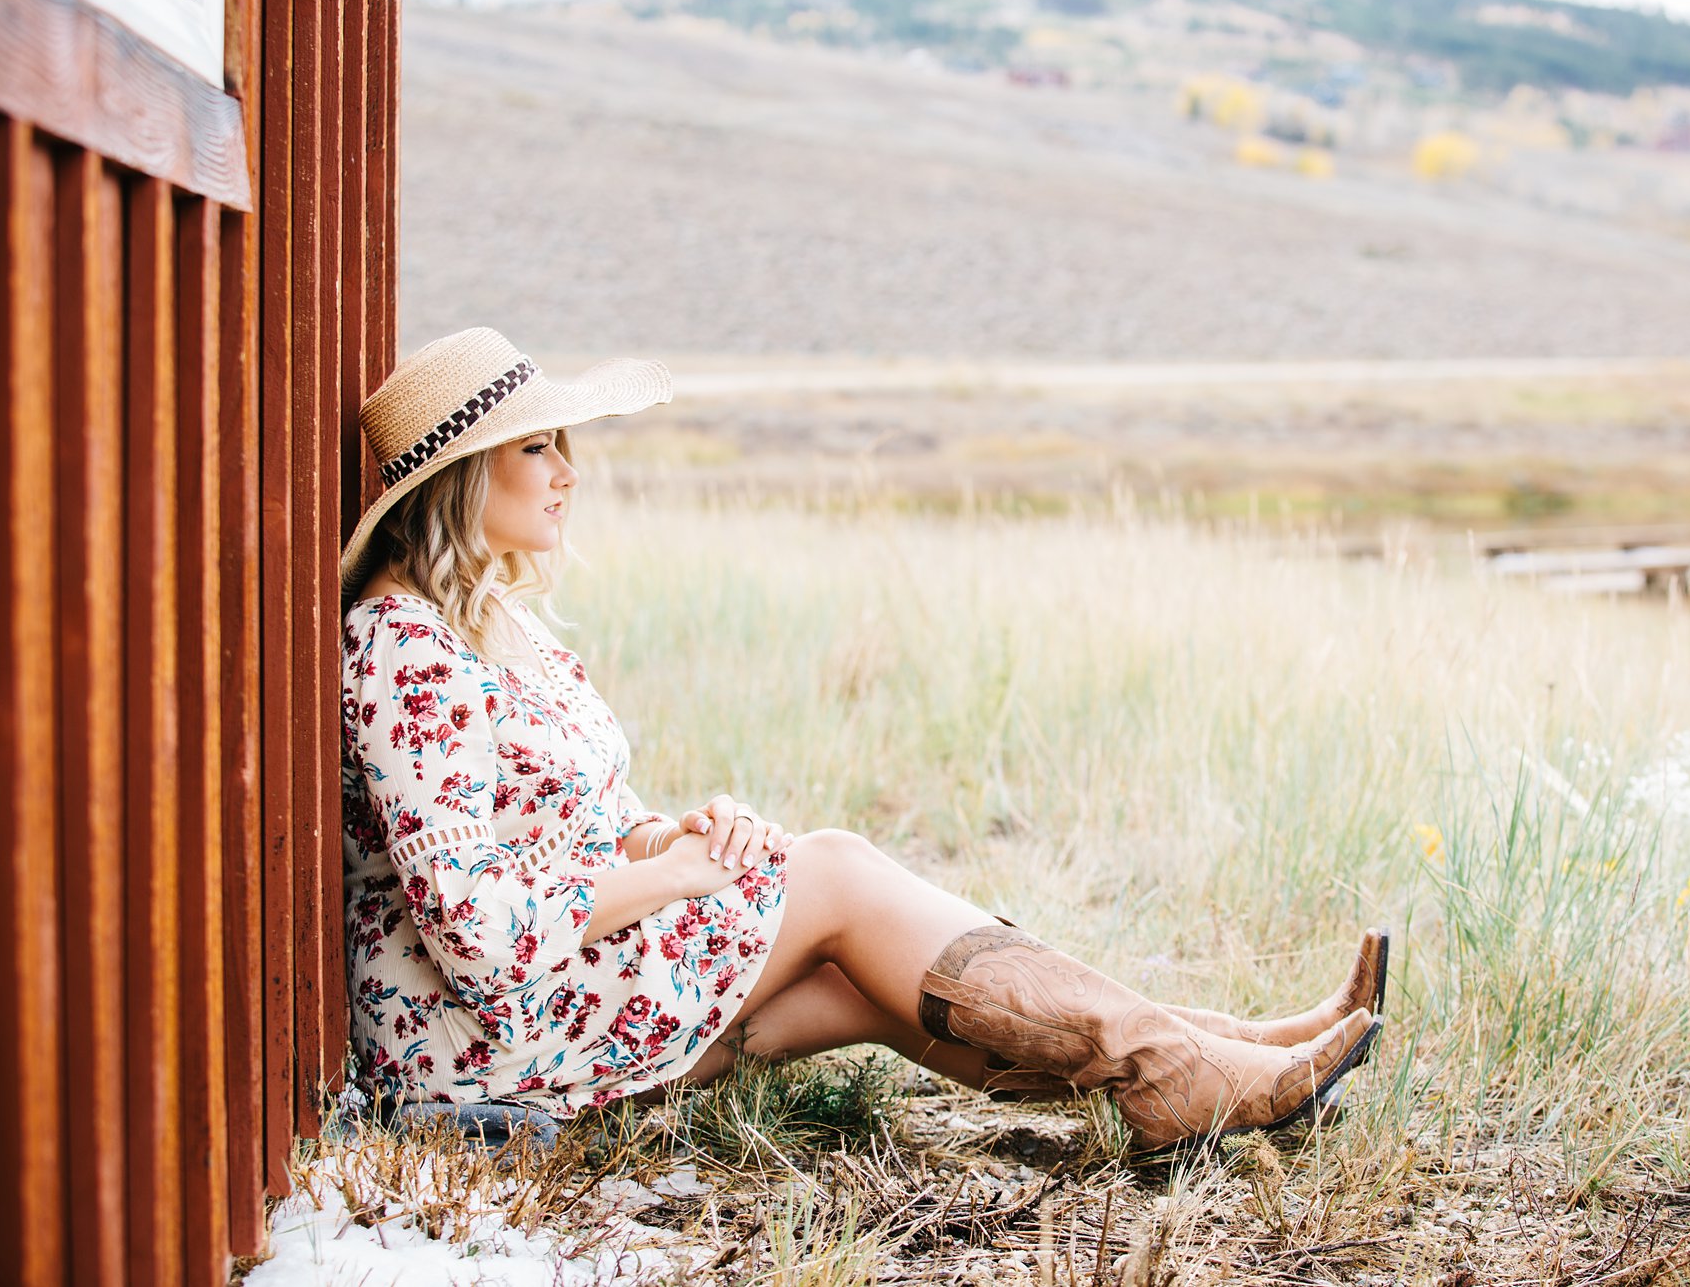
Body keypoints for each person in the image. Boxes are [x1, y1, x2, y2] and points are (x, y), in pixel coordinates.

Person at [338, 327, 1387, 1153]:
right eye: (536, 446)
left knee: (867, 984)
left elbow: (573, 832)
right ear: (461, 476)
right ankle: (1182, 1070)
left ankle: (1207, 1060)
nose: (567, 470)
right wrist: (681, 879)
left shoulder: (491, 627)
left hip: (552, 994)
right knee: (832, 870)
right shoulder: (402, 654)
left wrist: (671, 838)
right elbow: (477, 933)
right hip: (471, 1046)